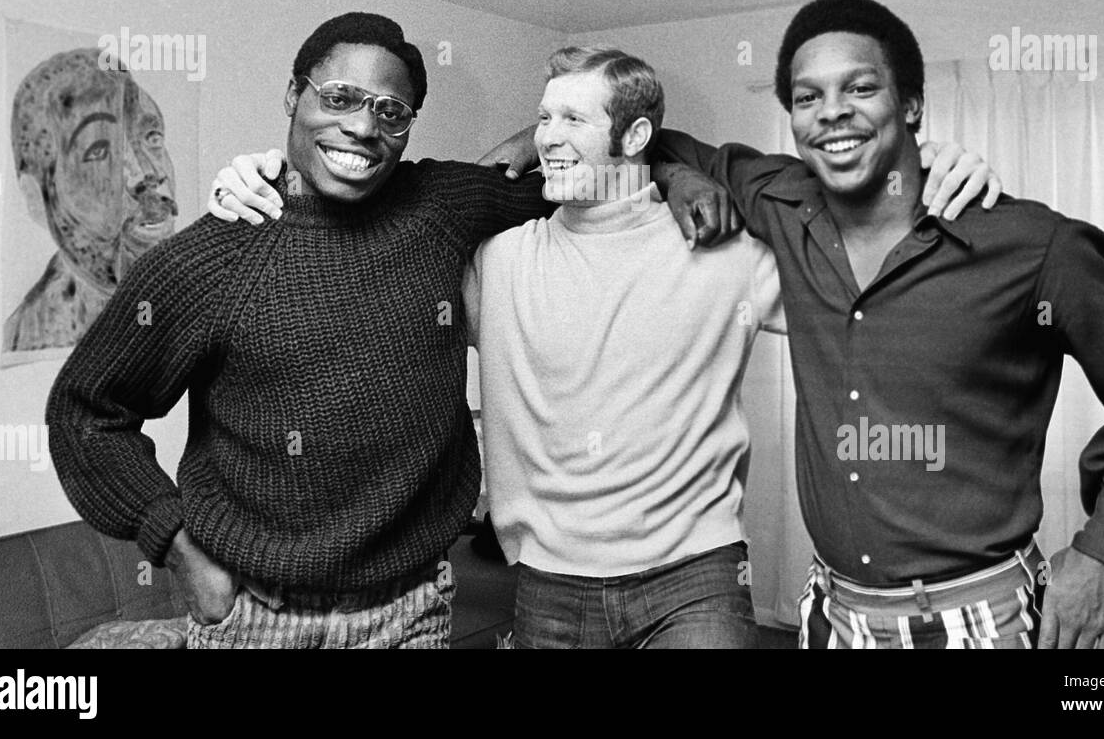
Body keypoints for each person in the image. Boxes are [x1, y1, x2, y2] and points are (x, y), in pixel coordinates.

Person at [215, 43, 999, 648]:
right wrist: (267, 180)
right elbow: (374, 223)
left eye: (570, 121)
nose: (544, 139)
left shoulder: (722, 245)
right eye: (541, 118)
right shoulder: (496, 257)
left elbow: (878, 291)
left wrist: (935, 187)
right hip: (546, 584)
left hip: (696, 579)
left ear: (637, 136)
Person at [649, 0, 1104, 649]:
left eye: (859, 87)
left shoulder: (1031, 244)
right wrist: (675, 177)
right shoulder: (781, 201)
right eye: (807, 98)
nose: (830, 109)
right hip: (830, 615)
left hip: (979, 622)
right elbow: (661, 142)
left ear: (913, 105)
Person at [50, 12, 630, 649]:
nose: (362, 126)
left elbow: (585, 152)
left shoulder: (437, 205)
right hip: (255, 616)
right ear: (294, 95)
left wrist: (679, 168)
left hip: (412, 610)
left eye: (391, 111)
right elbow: (86, 412)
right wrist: (178, 546)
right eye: (339, 98)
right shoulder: (211, 257)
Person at [6, 48, 177, 353]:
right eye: (100, 151)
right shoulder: (38, 335)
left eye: (151, 137)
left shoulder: (181, 300)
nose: (146, 174)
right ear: (37, 198)